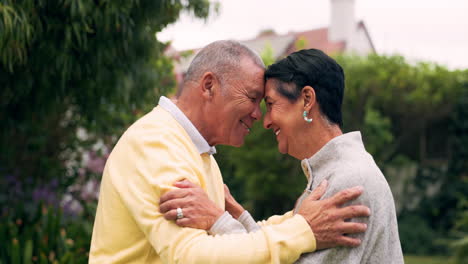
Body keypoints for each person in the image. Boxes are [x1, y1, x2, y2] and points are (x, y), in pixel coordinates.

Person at [89, 41, 371, 263]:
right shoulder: (156, 143)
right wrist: (303, 230)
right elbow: (190, 255)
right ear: (209, 86)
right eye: (252, 98)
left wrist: (234, 218)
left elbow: (227, 246)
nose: (257, 116)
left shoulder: (196, 151)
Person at [159, 49, 404, 263]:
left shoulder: (348, 183)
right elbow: (287, 254)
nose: (264, 121)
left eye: (271, 104)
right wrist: (238, 215)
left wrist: (217, 221)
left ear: (307, 99)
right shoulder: (338, 171)